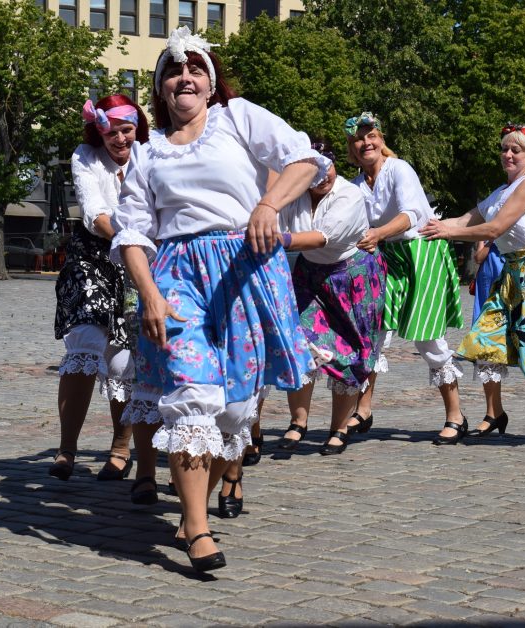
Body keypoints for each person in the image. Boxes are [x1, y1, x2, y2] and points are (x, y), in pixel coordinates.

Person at [111, 27, 327, 572]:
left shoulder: (239, 118)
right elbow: (133, 234)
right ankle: (198, 531)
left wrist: (269, 205)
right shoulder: (146, 153)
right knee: (192, 391)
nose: (185, 77)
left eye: (196, 70)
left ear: (210, 85)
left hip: (244, 268)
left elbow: (306, 160)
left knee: (233, 408)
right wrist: (150, 295)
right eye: (173, 72)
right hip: (177, 272)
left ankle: (194, 508)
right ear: (160, 90)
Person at [422, 123, 525, 446]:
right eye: (505, 148)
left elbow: (495, 229)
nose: (508, 154)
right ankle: (495, 412)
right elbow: (466, 219)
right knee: (485, 338)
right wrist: (427, 224)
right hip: (511, 272)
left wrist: (448, 233)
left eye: (515, 150)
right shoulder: (501, 190)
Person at [345, 113, 466, 447]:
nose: (366, 143)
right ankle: (364, 408)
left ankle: (456, 415)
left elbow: (412, 214)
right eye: (358, 139)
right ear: (352, 149)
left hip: (421, 252)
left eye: (371, 136)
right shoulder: (355, 186)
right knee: (374, 331)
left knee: (427, 337)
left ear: (381, 139)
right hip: (389, 258)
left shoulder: (400, 169)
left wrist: (378, 233)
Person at [48, 94, 149, 483]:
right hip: (94, 254)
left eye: (126, 131)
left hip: (142, 258)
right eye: (111, 133)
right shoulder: (85, 156)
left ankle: (121, 449)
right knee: (86, 340)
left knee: (124, 360)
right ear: (99, 132)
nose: (120, 140)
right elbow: (95, 213)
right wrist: (127, 239)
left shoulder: (152, 154)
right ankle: (66, 449)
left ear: (137, 127)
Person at [274, 140, 386, 455]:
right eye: (314, 170)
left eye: (328, 166)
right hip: (310, 275)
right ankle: (298, 422)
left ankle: (339, 428)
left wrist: (278, 238)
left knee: (351, 351)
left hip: (352, 278)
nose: (323, 175)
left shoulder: (349, 195)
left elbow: (324, 236)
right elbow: (274, 217)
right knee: (297, 341)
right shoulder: (293, 196)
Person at [471, 240, 504, 324]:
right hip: (488, 280)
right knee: (485, 306)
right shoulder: (485, 236)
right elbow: (478, 259)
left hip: (506, 273)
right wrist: (491, 239)